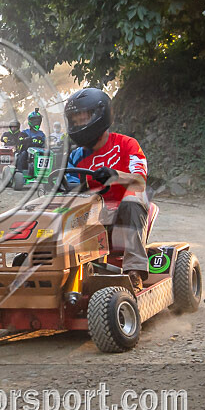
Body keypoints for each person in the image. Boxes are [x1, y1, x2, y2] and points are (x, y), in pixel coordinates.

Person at [64, 87, 149, 291]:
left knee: (131, 201)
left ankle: (134, 271)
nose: (78, 123)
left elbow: (140, 181)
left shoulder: (127, 144)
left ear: (100, 115)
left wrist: (115, 176)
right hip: (94, 212)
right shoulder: (76, 156)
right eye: (75, 120)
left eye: (83, 118)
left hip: (124, 211)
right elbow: (68, 186)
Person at [15, 108, 46, 173]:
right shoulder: (25, 132)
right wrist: (26, 139)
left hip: (40, 153)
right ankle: (20, 172)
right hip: (27, 154)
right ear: (30, 121)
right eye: (35, 121)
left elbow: (46, 143)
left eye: (38, 121)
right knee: (23, 154)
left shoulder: (42, 134)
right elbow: (20, 139)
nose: (36, 122)